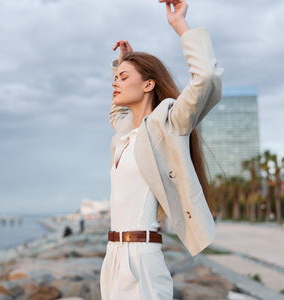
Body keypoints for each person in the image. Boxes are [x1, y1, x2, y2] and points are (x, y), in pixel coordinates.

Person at [99, 0, 223, 299]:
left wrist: (179, 25)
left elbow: (205, 78)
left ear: (148, 84)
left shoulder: (168, 125)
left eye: (124, 78)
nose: (115, 83)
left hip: (141, 257)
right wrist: (122, 63)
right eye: (115, 79)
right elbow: (116, 113)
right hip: (112, 255)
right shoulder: (125, 133)